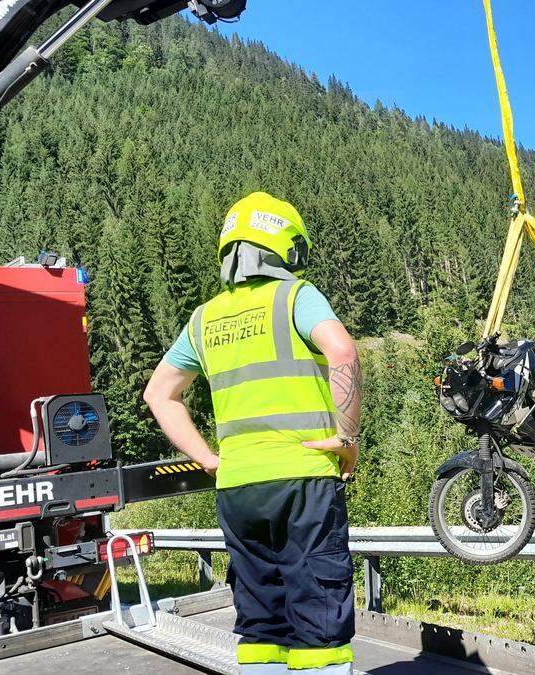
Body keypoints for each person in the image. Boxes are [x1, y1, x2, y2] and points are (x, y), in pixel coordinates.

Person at [144, 192, 362, 674]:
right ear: (288, 249)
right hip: (302, 478)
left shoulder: (204, 319)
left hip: (238, 488)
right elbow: (342, 353)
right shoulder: (294, 296)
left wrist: (208, 457)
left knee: (261, 622)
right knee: (319, 619)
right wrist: (348, 440)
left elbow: (159, 394)